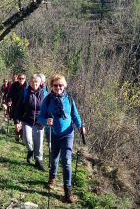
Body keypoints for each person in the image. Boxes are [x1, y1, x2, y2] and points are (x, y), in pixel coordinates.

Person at [38, 75, 85, 203]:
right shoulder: (47, 100)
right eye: (55, 85)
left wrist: (80, 126)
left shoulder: (69, 99)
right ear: (52, 86)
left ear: (64, 86)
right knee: (54, 159)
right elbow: (40, 117)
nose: (58, 87)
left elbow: (75, 115)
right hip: (53, 134)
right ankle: (52, 177)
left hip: (68, 134)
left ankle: (67, 190)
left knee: (67, 161)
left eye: (60, 85)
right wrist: (46, 120)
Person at [15, 74, 48, 170]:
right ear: (30, 82)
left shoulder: (44, 93)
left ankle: (38, 161)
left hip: (39, 122)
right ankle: (30, 151)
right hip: (27, 120)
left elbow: (48, 109)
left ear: (40, 83)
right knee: (27, 139)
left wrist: (46, 120)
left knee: (39, 142)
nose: (35, 84)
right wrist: (17, 121)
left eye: (36, 82)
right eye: (33, 82)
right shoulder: (25, 92)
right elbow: (18, 107)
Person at [7, 73, 27, 142]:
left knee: (22, 125)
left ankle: (21, 135)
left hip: (25, 109)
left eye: (23, 78)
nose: (21, 80)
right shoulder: (14, 85)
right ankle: (17, 134)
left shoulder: (27, 86)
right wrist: (9, 101)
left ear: (25, 79)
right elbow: (9, 95)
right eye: (20, 78)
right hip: (15, 108)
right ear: (17, 79)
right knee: (17, 126)